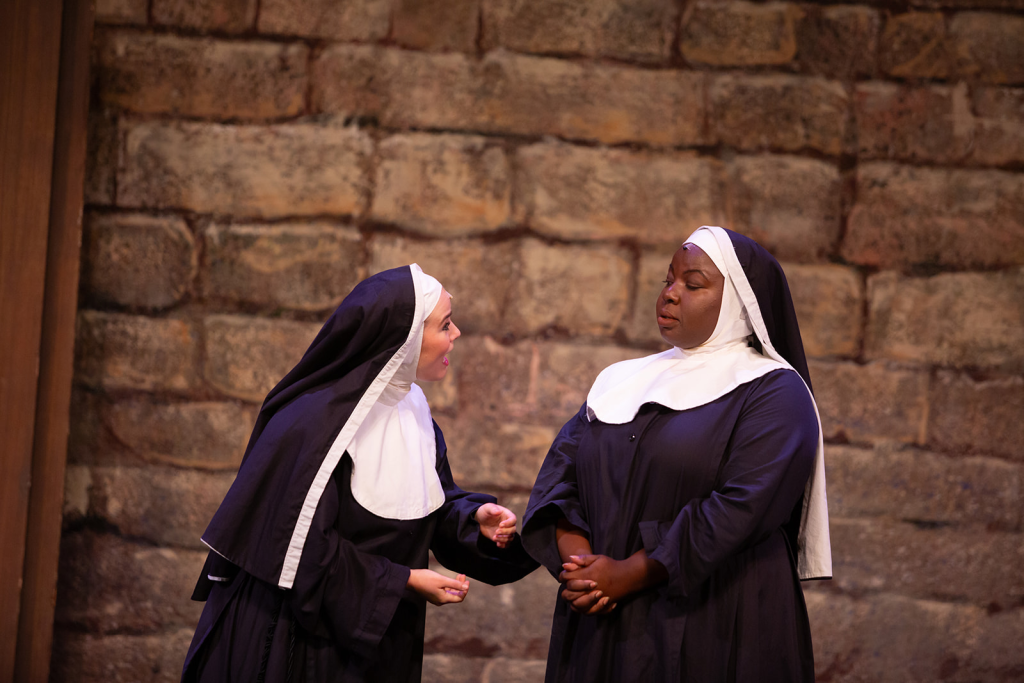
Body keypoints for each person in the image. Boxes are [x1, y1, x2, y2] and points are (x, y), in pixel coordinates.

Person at [182, 264, 538, 683]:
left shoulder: (411, 406)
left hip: (378, 643)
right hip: (298, 644)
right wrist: (404, 580)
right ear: (404, 338)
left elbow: (420, 505)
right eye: (445, 325)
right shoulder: (313, 425)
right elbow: (302, 552)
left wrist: (472, 519)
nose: (456, 334)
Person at [522, 226, 832, 682]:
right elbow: (561, 477)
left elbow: (741, 508)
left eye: (693, 284)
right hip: (603, 611)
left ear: (738, 303)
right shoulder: (620, 380)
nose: (670, 294)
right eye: (668, 279)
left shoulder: (774, 393)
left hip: (714, 619)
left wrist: (630, 572)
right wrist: (583, 568)